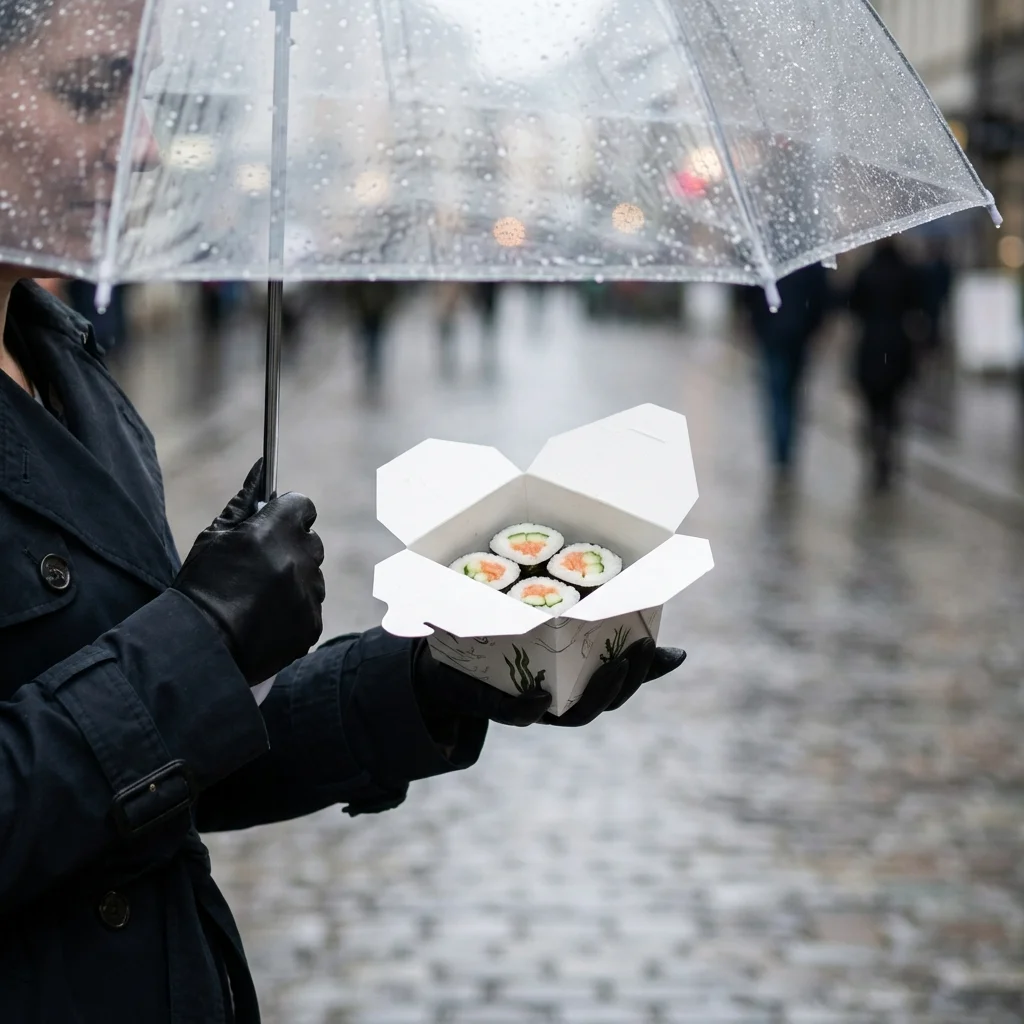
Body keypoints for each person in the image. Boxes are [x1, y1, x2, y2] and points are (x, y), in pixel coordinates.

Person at [0, 4, 688, 1021]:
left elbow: (164, 776)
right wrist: (196, 638)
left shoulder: (67, 368)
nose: (141, 145)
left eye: (144, 102)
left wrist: (436, 675)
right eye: (92, 93)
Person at [742, 263, 831, 480]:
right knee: (791, 393)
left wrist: (758, 325)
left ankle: (781, 451)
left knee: (777, 393)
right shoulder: (810, 263)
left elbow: (749, 297)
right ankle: (786, 448)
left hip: (774, 336)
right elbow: (821, 299)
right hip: (798, 337)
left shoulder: (764, 262)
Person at [848, 240, 923, 491]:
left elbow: (853, 305)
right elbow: (918, 304)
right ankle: (888, 447)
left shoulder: (866, 271)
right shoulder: (906, 270)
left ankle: (877, 444)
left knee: (873, 405)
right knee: (892, 403)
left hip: (870, 346)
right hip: (897, 346)